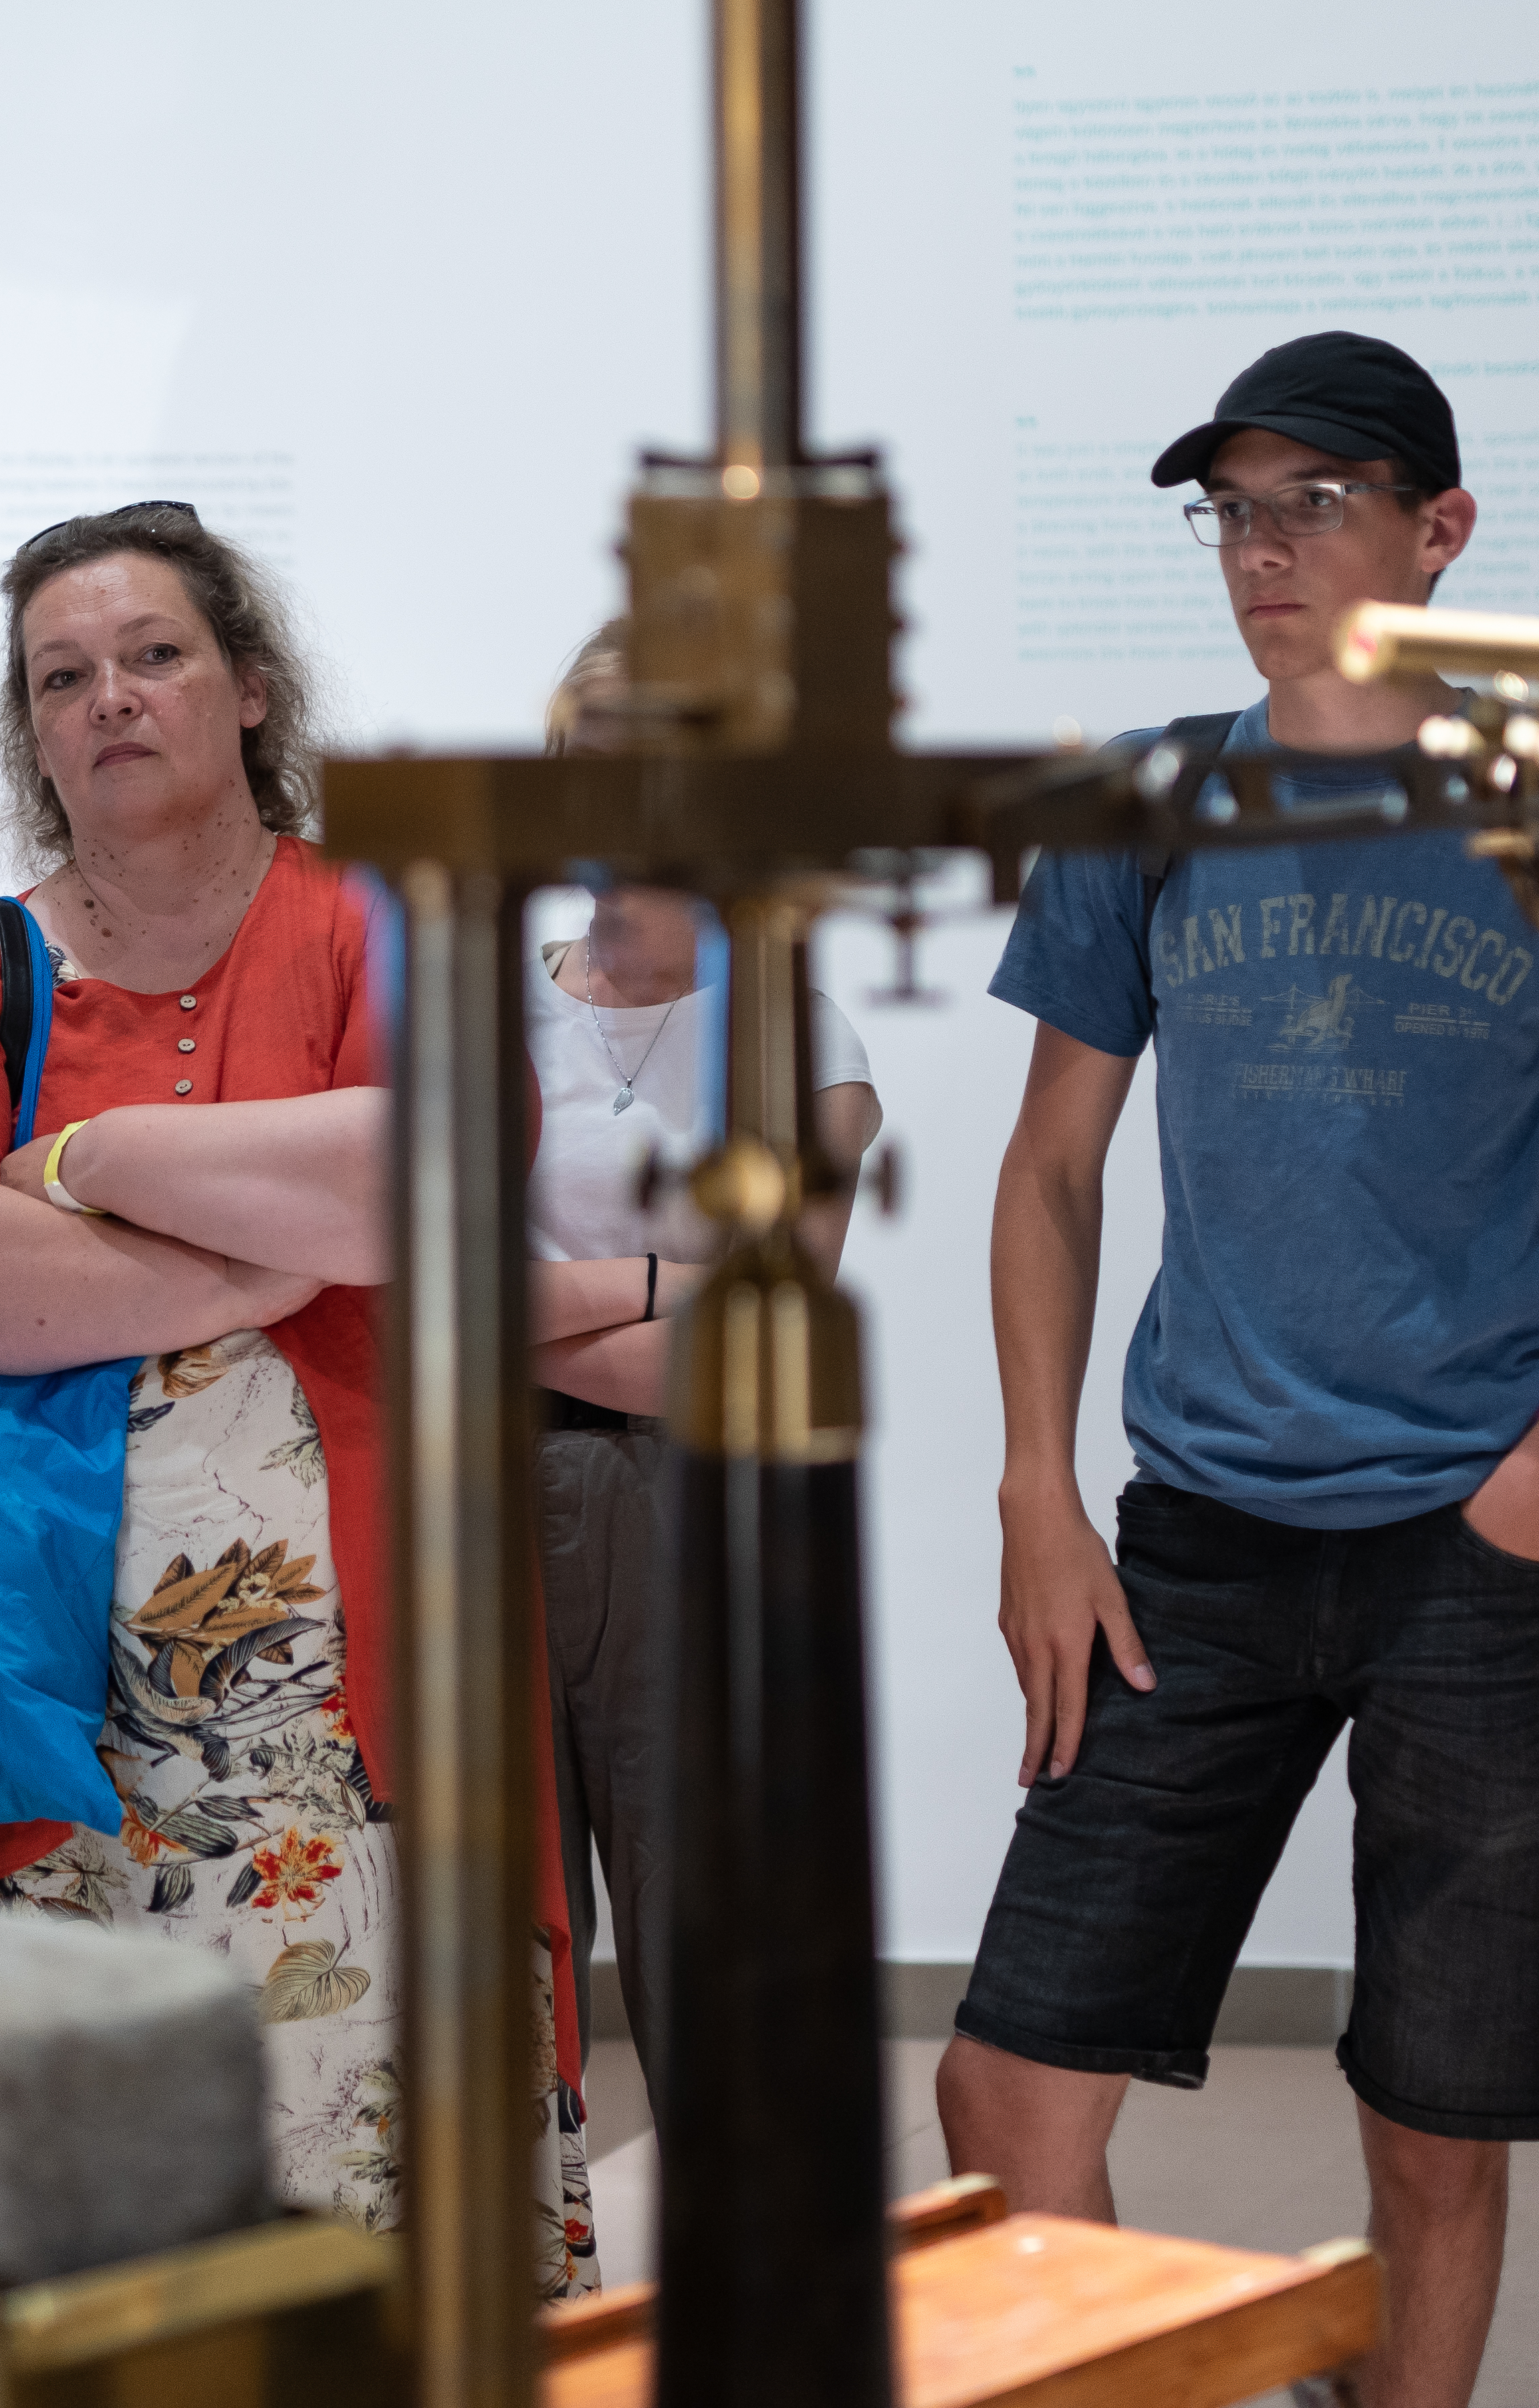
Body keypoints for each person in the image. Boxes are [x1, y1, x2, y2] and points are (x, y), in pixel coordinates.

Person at [934, 332, 1539, 2408]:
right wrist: (1039, 1492)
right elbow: (1051, 1169)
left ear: (1441, 528)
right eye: (1234, 507)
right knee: (1006, 2091)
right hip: (1189, 1551)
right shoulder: (1140, 804)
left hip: (1481, 1563)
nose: (1265, 548)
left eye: (1318, 501)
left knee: (1433, 2132)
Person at [0, 500, 596, 2298]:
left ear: (247, 688)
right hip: (20, 1762)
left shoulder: (390, 925)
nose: (111, 699)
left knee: (358, 2267)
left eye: (153, 655)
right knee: (48, 2270)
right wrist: (244, 1265)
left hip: (350, 1774)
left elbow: (431, 1176)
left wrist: (78, 1156)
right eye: (61, 676)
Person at [525, 621, 882, 2070]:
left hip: (697, 1511)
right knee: (499, 1955)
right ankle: (522, 2295)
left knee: (711, 1960)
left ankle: (738, 2301)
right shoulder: (477, 1005)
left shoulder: (801, 1030)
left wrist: (539, 1304)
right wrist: (678, 1276)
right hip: (475, 1506)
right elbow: (422, 1301)